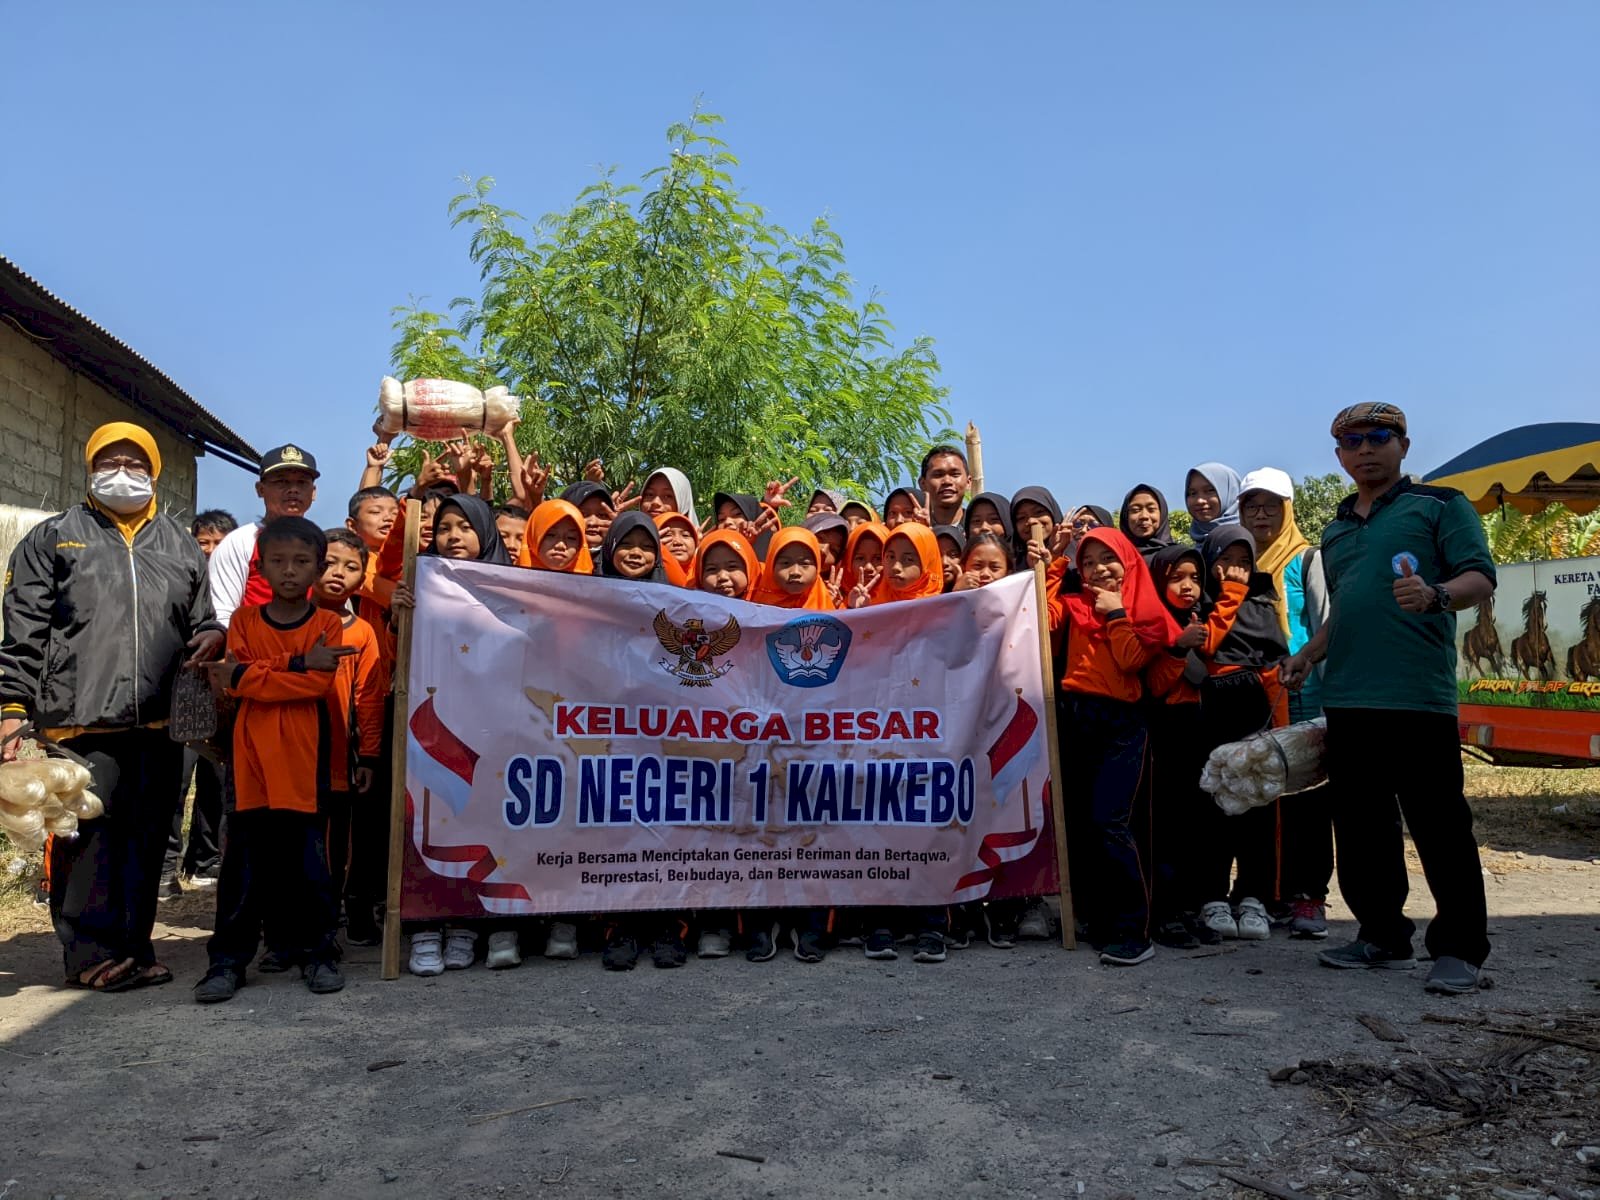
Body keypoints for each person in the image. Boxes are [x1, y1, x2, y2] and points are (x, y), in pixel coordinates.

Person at [1280, 403, 1496, 995]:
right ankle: (1381, 935)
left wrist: (1436, 595)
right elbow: (1345, 611)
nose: (1365, 450)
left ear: (1403, 444)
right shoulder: (1337, 528)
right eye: (1352, 442)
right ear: (1338, 456)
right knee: (1360, 826)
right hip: (1348, 697)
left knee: (1440, 825)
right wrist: (1308, 656)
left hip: (1417, 699)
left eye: (1379, 437)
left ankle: (1460, 950)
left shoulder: (1441, 506)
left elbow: (1480, 577)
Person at [1, 422, 224, 992]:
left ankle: (134, 946)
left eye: (135, 463)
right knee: (87, 841)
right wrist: (10, 705)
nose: (122, 473)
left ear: (154, 472)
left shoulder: (178, 543)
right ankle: (90, 954)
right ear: (90, 466)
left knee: (147, 839)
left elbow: (200, 619)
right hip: (78, 718)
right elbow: (22, 628)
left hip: (158, 721)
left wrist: (211, 636)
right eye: (110, 461)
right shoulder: (55, 538)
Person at [194, 517, 353, 1003]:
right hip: (251, 766)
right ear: (260, 567)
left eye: (302, 562)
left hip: (305, 764)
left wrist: (260, 674)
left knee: (310, 867)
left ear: (318, 569)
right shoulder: (242, 621)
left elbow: (314, 685)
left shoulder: (326, 622)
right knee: (242, 869)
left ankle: (319, 953)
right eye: (278, 562)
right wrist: (298, 664)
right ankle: (227, 962)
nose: (289, 572)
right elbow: (232, 679)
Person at [1045, 528, 1179, 967]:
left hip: (1122, 724)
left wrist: (1118, 613)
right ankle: (1099, 919)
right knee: (1083, 825)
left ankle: (1134, 931)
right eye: (1088, 561)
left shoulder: (1146, 612)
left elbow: (1131, 661)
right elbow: (1041, 618)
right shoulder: (1073, 604)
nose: (1099, 568)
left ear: (1129, 561)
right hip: (1075, 718)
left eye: (1109, 559)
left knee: (1112, 823)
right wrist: (1053, 563)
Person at [1239, 466, 1331, 939]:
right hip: (1255, 695)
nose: (1260, 515)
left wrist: (1310, 668)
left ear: (1287, 509)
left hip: (1304, 694)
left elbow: (1324, 623)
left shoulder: (1306, 558)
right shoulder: (1235, 560)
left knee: (1308, 802)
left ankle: (1308, 898)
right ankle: (1267, 893)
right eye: (1251, 505)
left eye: (1270, 505)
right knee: (1262, 796)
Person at [1192, 526, 1289, 943]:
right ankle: (1211, 894)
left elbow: (1276, 661)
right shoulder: (1197, 602)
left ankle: (1253, 895)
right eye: (1225, 560)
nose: (1235, 570)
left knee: (1258, 805)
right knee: (1213, 802)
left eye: (1244, 562)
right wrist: (1228, 594)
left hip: (1256, 709)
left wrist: (1278, 729)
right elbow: (1204, 650)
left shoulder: (1264, 604)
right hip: (1210, 708)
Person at [311, 529, 386, 949]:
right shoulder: (283, 618)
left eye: (351, 567)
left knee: (340, 846)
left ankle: (344, 917)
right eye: (329, 563)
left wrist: (369, 756)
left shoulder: (361, 633)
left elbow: (369, 699)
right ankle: (288, 928)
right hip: (290, 755)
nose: (338, 574)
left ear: (363, 578)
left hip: (341, 758)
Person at [161, 509, 238, 898]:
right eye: (202, 543)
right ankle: (165, 867)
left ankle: (205, 861)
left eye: (218, 544)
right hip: (183, 693)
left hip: (224, 695)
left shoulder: (236, 585)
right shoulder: (179, 581)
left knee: (216, 783)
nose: (209, 551)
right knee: (176, 780)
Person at [207, 445, 320, 627]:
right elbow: (222, 612)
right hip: (251, 650)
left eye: (302, 483)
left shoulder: (322, 543)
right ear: (260, 489)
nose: (293, 490)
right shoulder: (241, 541)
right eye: (281, 482)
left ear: (313, 492)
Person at [1184, 463, 1242, 542]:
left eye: (1209, 491)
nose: (1199, 501)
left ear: (1230, 493)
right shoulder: (1188, 551)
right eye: (1193, 493)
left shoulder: (1252, 543)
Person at [918, 445, 971, 527]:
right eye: (938, 475)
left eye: (955, 474)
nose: (947, 481)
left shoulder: (978, 531)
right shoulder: (914, 531)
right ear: (923, 484)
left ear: (968, 482)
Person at [1118, 484, 1173, 562]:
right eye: (1136, 510)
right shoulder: (1116, 558)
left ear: (1162, 513)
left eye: (1151, 509)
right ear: (1125, 516)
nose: (1144, 516)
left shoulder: (1176, 557)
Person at [933, 526, 965, 593]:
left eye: (953, 555)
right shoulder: (920, 596)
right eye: (938, 555)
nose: (944, 562)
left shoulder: (974, 591)